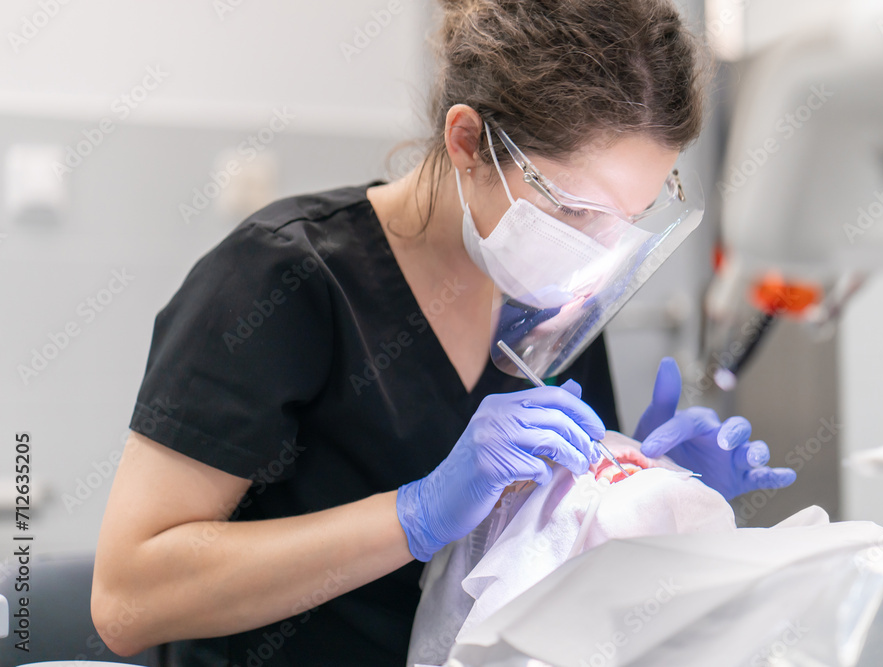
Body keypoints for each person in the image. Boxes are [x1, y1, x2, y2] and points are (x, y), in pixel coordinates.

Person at [91, 0, 795, 664]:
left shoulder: (555, 303)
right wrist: (415, 515)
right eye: (577, 211)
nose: (599, 249)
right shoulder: (284, 281)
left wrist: (654, 497)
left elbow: (552, 570)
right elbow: (127, 597)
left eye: (630, 215)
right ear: (466, 141)